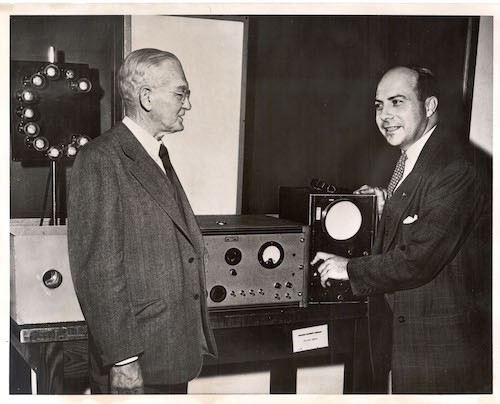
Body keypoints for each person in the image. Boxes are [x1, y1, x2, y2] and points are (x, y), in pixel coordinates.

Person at [311, 66, 491, 393]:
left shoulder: (455, 167)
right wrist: (385, 212)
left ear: (430, 106)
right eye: (379, 105)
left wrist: (347, 268)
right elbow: (416, 230)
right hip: (403, 342)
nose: (385, 116)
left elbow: (418, 259)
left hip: (440, 353)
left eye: (397, 102)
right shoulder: (413, 158)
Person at [67, 48, 217, 394]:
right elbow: (98, 271)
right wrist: (123, 360)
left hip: (169, 354)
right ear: (146, 97)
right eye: (182, 93)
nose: (188, 104)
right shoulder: (101, 158)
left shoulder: (155, 153)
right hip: (138, 362)